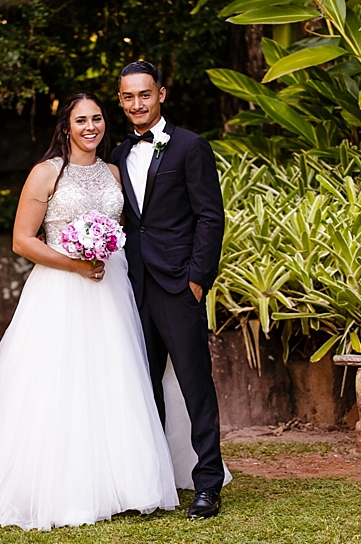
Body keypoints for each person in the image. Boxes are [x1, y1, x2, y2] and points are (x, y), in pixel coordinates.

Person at [0, 92, 177, 530]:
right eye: (81, 120)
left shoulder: (113, 171)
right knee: (59, 380)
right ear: (66, 127)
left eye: (97, 119)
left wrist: (104, 251)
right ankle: (56, 485)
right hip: (60, 289)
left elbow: (123, 230)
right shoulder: (47, 172)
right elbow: (22, 241)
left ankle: (120, 483)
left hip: (110, 288)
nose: (91, 127)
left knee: (113, 378)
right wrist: (75, 263)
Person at [107, 60, 231, 519]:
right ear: (121, 101)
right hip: (132, 285)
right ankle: (153, 481)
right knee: (144, 386)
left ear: (161, 94)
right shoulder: (118, 154)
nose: (137, 103)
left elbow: (210, 216)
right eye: (128, 96)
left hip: (179, 285)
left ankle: (208, 484)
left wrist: (197, 279)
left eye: (145, 94)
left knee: (195, 385)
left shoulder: (191, 146)